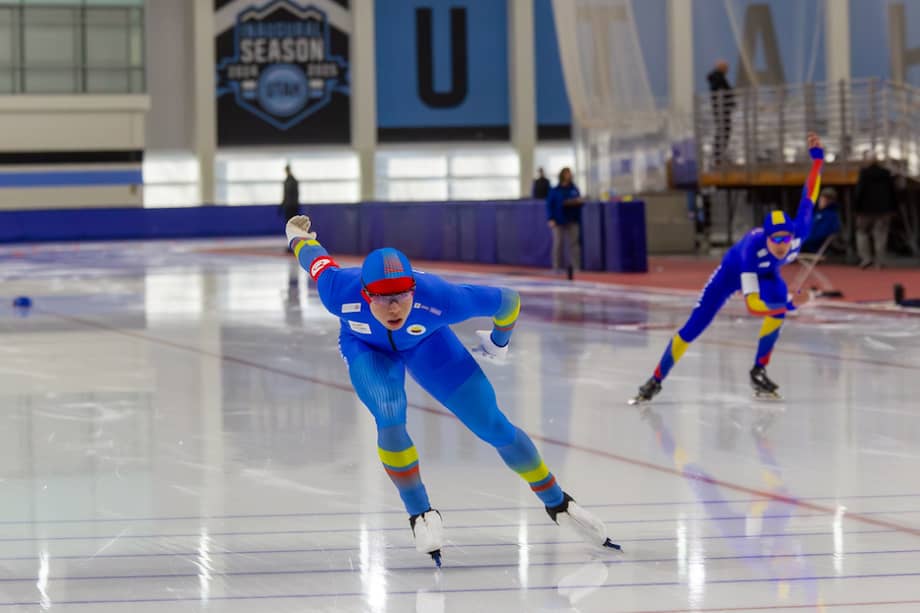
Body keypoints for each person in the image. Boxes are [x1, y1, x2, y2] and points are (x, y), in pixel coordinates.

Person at [284, 216, 619, 566]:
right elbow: (315, 258)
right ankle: (421, 514)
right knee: (390, 415)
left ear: (413, 289)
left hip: (428, 342)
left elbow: (509, 301)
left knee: (491, 424)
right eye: (383, 299)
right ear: (365, 295)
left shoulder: (442, 298)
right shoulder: (338, 290)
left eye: (401, 296)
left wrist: (499, 341)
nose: (394, 307)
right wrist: (297, 236)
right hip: (366, 348)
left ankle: (558, 502)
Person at [629, 133, 825, 404]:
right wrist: (792, 306)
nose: (781, 245)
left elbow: (809, 194)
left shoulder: (799, 232)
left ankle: (758, 370)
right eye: (775, 239)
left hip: (767, 273)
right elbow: (753, 306)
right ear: (766, 237)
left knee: (778, 302)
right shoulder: (751, 251)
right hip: (732, 273)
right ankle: (655, 380)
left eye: (785, 239)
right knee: (694, 327)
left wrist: (817, 162)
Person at [854, 157, 897, 269]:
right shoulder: (886, 174)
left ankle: (866, 258)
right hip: (883, 210)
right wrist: (893, 208)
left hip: (865, 210)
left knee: (861, 233)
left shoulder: (864, 174)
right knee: (881, 235)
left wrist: (856, 208)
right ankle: (880, 260)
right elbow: (892, 192)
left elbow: (859, 191)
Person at [546, 167, 585, 273]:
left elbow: (579, 200)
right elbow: (550, 205)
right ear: (562, 175)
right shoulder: (555, 190)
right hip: (558, 220)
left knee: (574, 244)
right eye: (567, 173)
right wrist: (551, 218)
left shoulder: (574, 188)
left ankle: (576, 267)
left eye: (570, 174)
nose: (569, 175)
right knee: (558, 244)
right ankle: (557, 267)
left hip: (572, 219)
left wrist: (577, 202)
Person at [708, 60, 735, 166]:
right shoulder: (719, 78)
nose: (727, 70)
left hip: (721, 109)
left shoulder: (717, 78)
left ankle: (719, 156)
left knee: (722, 131)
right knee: (723, 131)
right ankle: (719, 156)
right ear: (721, 68)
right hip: (722, 110)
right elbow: (722, 91)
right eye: (726, 68)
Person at [801, 187, 842, 254]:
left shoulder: (831, 216)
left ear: (831, 201)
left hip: (813, 245)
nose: (823, 200)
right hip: (806, 240)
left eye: (827, 199)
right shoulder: (817, 213)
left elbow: (822, 233)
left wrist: (804, 239)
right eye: (822, 198)